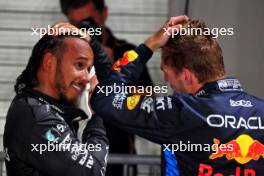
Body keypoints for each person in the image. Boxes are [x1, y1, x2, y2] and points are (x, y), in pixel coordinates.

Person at [91, 15, 264, 175]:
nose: (166, 79)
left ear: (186, 75)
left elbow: (106, 98)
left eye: (166, 72)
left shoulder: (183, 111)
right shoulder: (261, 110)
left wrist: (148, 46)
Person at [59, 0, 153, 175]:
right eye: (76, 24)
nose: (84, 28)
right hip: (71, 157)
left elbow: (147, 101)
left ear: (104, 14)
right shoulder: (61, 56)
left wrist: (114, 69)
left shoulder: (127, 53)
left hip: (118, 158)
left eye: (88, 21)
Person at [3, 23, 109, 176]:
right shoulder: (39, 118)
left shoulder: (39, 104)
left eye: (88, 69)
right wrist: (96, 117)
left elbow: (111, 84)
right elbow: (95, 172)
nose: (87, 78)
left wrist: (90, 40)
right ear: (49, 63)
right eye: (80, 65)